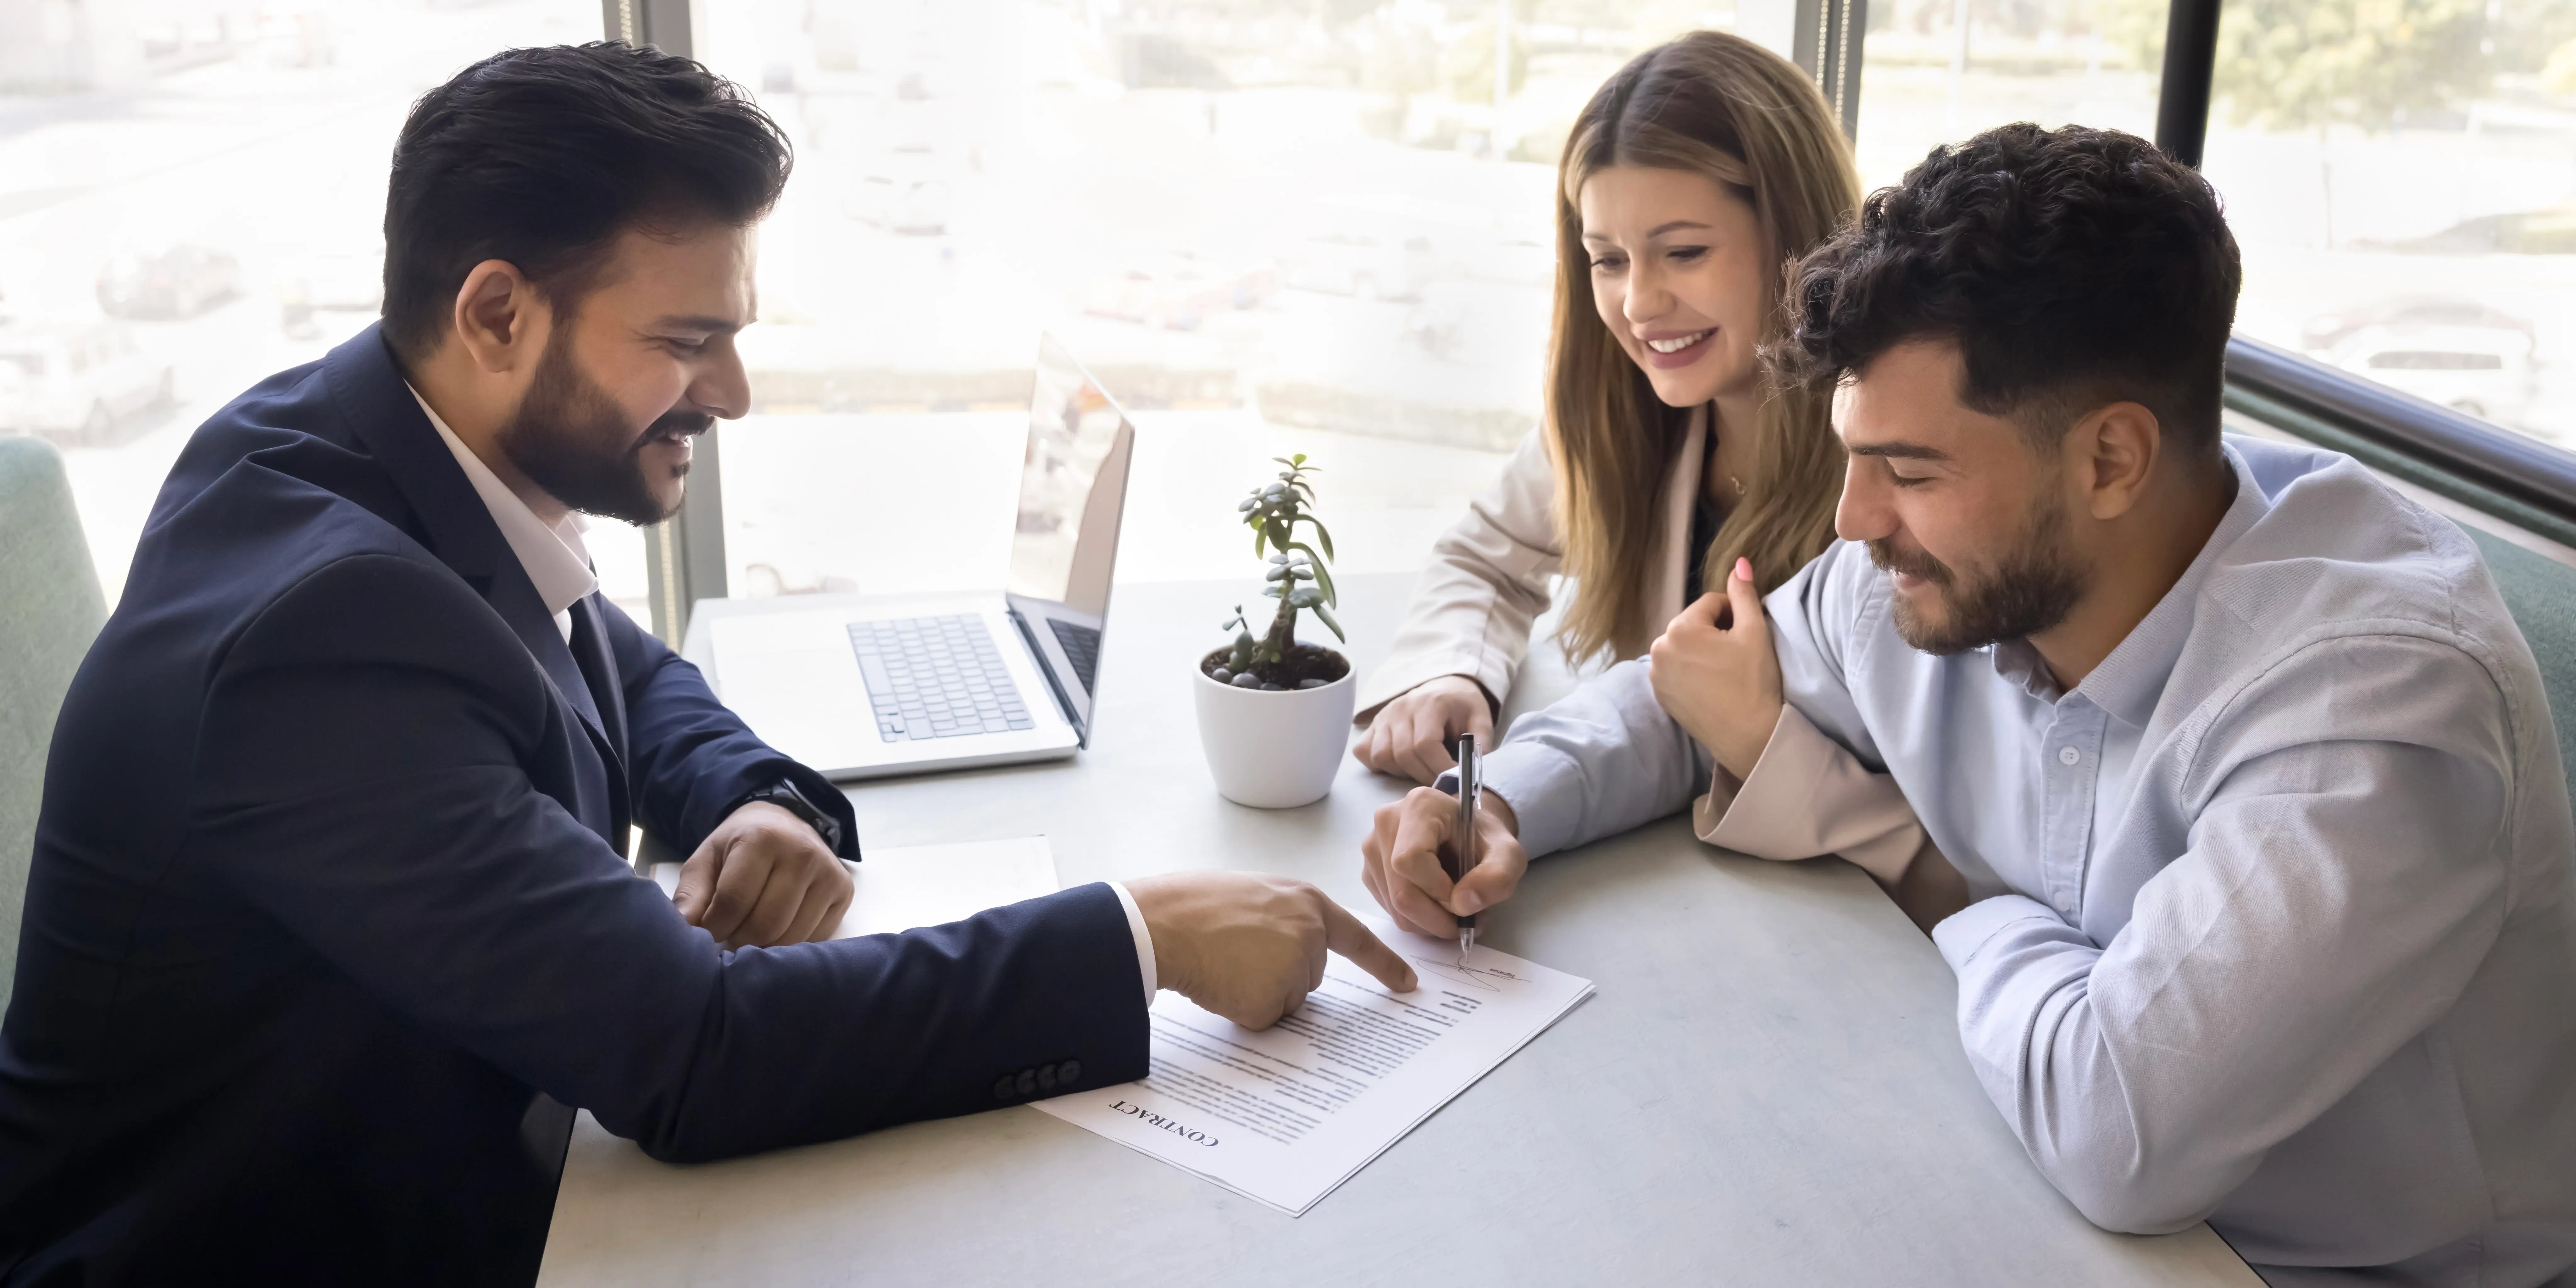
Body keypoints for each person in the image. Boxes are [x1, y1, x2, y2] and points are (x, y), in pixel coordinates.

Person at [0, 43, 1413, 1284]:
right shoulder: (317, 637)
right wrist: (1144, 938)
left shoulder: (363, 439)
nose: (731, 394)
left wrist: (756, 801)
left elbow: (597, 648)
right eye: (689, 340)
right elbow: (697, 1056)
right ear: (495, 313)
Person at [1360, 123, 2576, 1285]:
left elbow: (2117, 1128)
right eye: (1854, 455)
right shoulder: (1955, 565)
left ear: (2110, 460)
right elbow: (1693, 690)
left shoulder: (2375, 704)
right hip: (2011, 1177)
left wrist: (1950, 891)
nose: (1851, 522)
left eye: (1909, 469)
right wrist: (1498, 796)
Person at [1351, 31, 1859, 784]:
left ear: (1798, 238)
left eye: (1683, 252)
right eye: (1609, 261)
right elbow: (1484, 557)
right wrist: (1448, 675)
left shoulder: (1894, 464)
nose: (1639, 303)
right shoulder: (1618, 413)